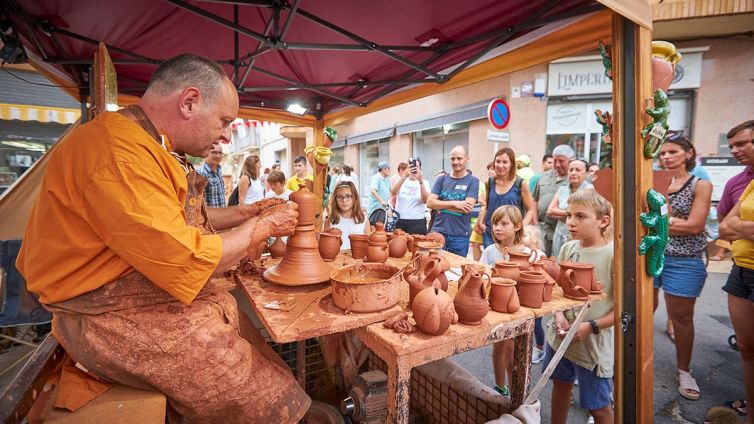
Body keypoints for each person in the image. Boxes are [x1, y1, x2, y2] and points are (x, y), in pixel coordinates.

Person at [15, 53, 309, 422]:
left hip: (140, 298)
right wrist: (264, 227)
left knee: (251, 344)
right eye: (224, 121)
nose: (226, 135)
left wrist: (244, 213)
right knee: (251, 392)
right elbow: (187, 256)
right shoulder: (118, 155)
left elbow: (170, 223)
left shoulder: (146, 144)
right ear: (188, 102)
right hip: (107, 316)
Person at [545, 190, 614, 424]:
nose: (571, 222)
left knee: (598, 406)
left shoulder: (614, 255)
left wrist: (591, 326)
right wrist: (558, 315)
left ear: (603, 221)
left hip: (592, 344)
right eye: (569, 215)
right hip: (561, 337)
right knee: (561, 386)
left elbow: (623, 308)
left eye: (580, 216)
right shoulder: (568, 248)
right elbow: (557, 291)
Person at [652, 132, 712, 401]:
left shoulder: (700, 184)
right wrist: (675, 222)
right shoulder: (653, 181)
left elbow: (696, 225)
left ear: (688, 154)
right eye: (662, 152)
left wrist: (661, 223)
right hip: (651, 255)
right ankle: (632, 362)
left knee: (681, 318)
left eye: (672, 151)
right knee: (640, 312)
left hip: (684, 261)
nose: (665, 157)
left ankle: (684, 370)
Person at [479, 206, 543, 395]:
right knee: (498, 347)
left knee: (512, 351)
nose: (497, 228)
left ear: (517, 226)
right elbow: (482, 274)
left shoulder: (526, 252)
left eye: (503, 223)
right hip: (496, 309)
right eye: (495, 224)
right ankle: (500, 387)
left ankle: (515, 390)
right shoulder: (490, 251)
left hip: (517, 309)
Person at [720, 178, 754, 422]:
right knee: (746, 347)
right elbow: (725, 226)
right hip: (741, 269)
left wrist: (739, 225)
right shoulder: (752, 184)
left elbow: (734, 224)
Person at [476, 148, 537, 249]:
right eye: (498, 161)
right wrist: (481, 221)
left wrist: (521, 227)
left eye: (505, 162)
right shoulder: (490, 182)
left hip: (511, 235)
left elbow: (531, 209)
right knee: (491, 262)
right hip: (490, 232)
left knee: (508, 263)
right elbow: (487, 205)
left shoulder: (520, 184)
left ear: (512, 164)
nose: (500, 165)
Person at [427, 146, 480, 257]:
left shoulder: (473, 181)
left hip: (460, 235)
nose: (455, 162)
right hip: (438, 231)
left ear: (467, 158)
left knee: (456, 271)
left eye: (459, 158)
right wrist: (456, 203)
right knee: (432, 267)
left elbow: (467, 208)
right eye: (453, 159)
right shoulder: (441, 179)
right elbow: (430, 203)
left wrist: (440, 205)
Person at [714, 121, 754, 261]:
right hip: (741, 267)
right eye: (731, 146)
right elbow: (724, 229)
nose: (733, 151)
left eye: (741, 144)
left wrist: (737, 225)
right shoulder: (735, 182)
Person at [546, 159, 594, 257]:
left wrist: (561, 213)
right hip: (560, 233)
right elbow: (550, 211)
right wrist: (572, 214)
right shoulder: (562, 189)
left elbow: (587, 214)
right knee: (558, 263)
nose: (573, 173)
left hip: (580, 236)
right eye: (571, 170)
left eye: (578, 170)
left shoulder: (591, 190)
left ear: (587, 173)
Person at [533, 145, 575, 256]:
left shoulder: (574, 179)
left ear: (571, 161)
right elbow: (534, 200)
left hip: (562, 230)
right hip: (541, 229)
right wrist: (534, 222)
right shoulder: (543, 176)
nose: (557, 165)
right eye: (555, 160)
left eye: (561, 161)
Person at [523, 224, 547, 364]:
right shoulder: (525, 252)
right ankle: (529, 348)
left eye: (525, 236)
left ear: (534, 238)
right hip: (528, 294)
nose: (522, 239)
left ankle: (540, 348)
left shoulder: (540, 255)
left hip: (538, 295)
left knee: (537, 324)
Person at [325, 181, 369, 249]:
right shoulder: (330, 221)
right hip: (337, 259)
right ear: (335, 199)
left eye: (348, 196)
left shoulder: (363, 220)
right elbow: (325, 246)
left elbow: (369, 245)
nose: (344, 200)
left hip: (358, 258)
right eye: (339, 197)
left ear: (355, 198)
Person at [392, 159, 430, 234]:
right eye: (411, 166)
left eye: (417, 167)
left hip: (417, 221)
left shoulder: (425, 182)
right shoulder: (401, 180)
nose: (414, 169)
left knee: (416, 244)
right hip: (400, 220)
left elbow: (425, 200)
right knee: (399, 244)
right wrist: (405, 175)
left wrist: (420, 181)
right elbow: (393, 192)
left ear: (420, 169)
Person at [470, 162, 495, 261]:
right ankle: (480, 265)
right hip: (482, 216)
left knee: (490, 248)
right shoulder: (488, 183)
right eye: (489, 169)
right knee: (474, 243)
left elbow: (483, 199)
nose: (490, 171)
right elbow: (484, 201)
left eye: (492, 169)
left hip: (490, 219)